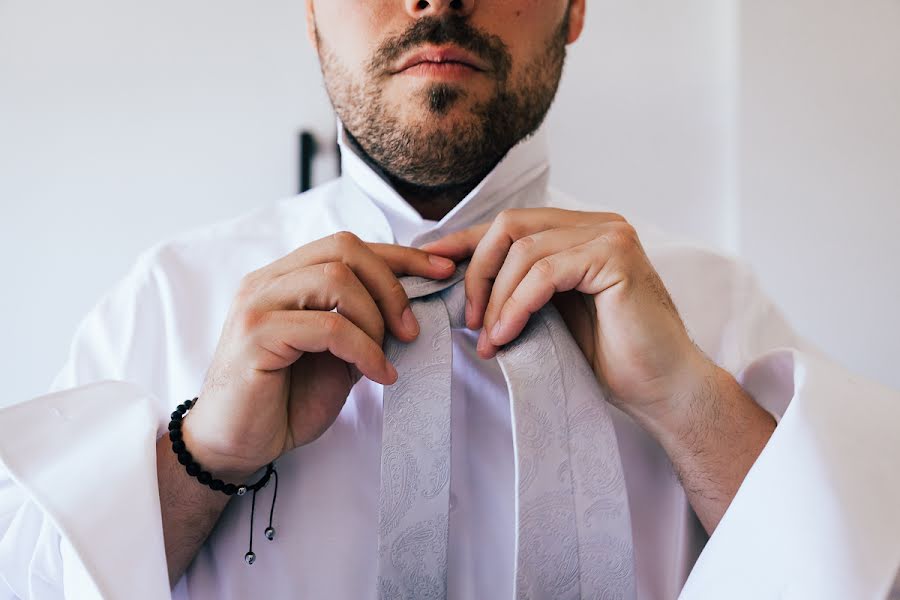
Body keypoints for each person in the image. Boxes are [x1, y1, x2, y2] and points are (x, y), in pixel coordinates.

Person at [2, 1, 899, 598]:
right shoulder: (162, 299)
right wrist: (202, 457)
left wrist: (689, 403)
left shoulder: (718, 307)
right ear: (312, 9)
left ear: (576, 5)